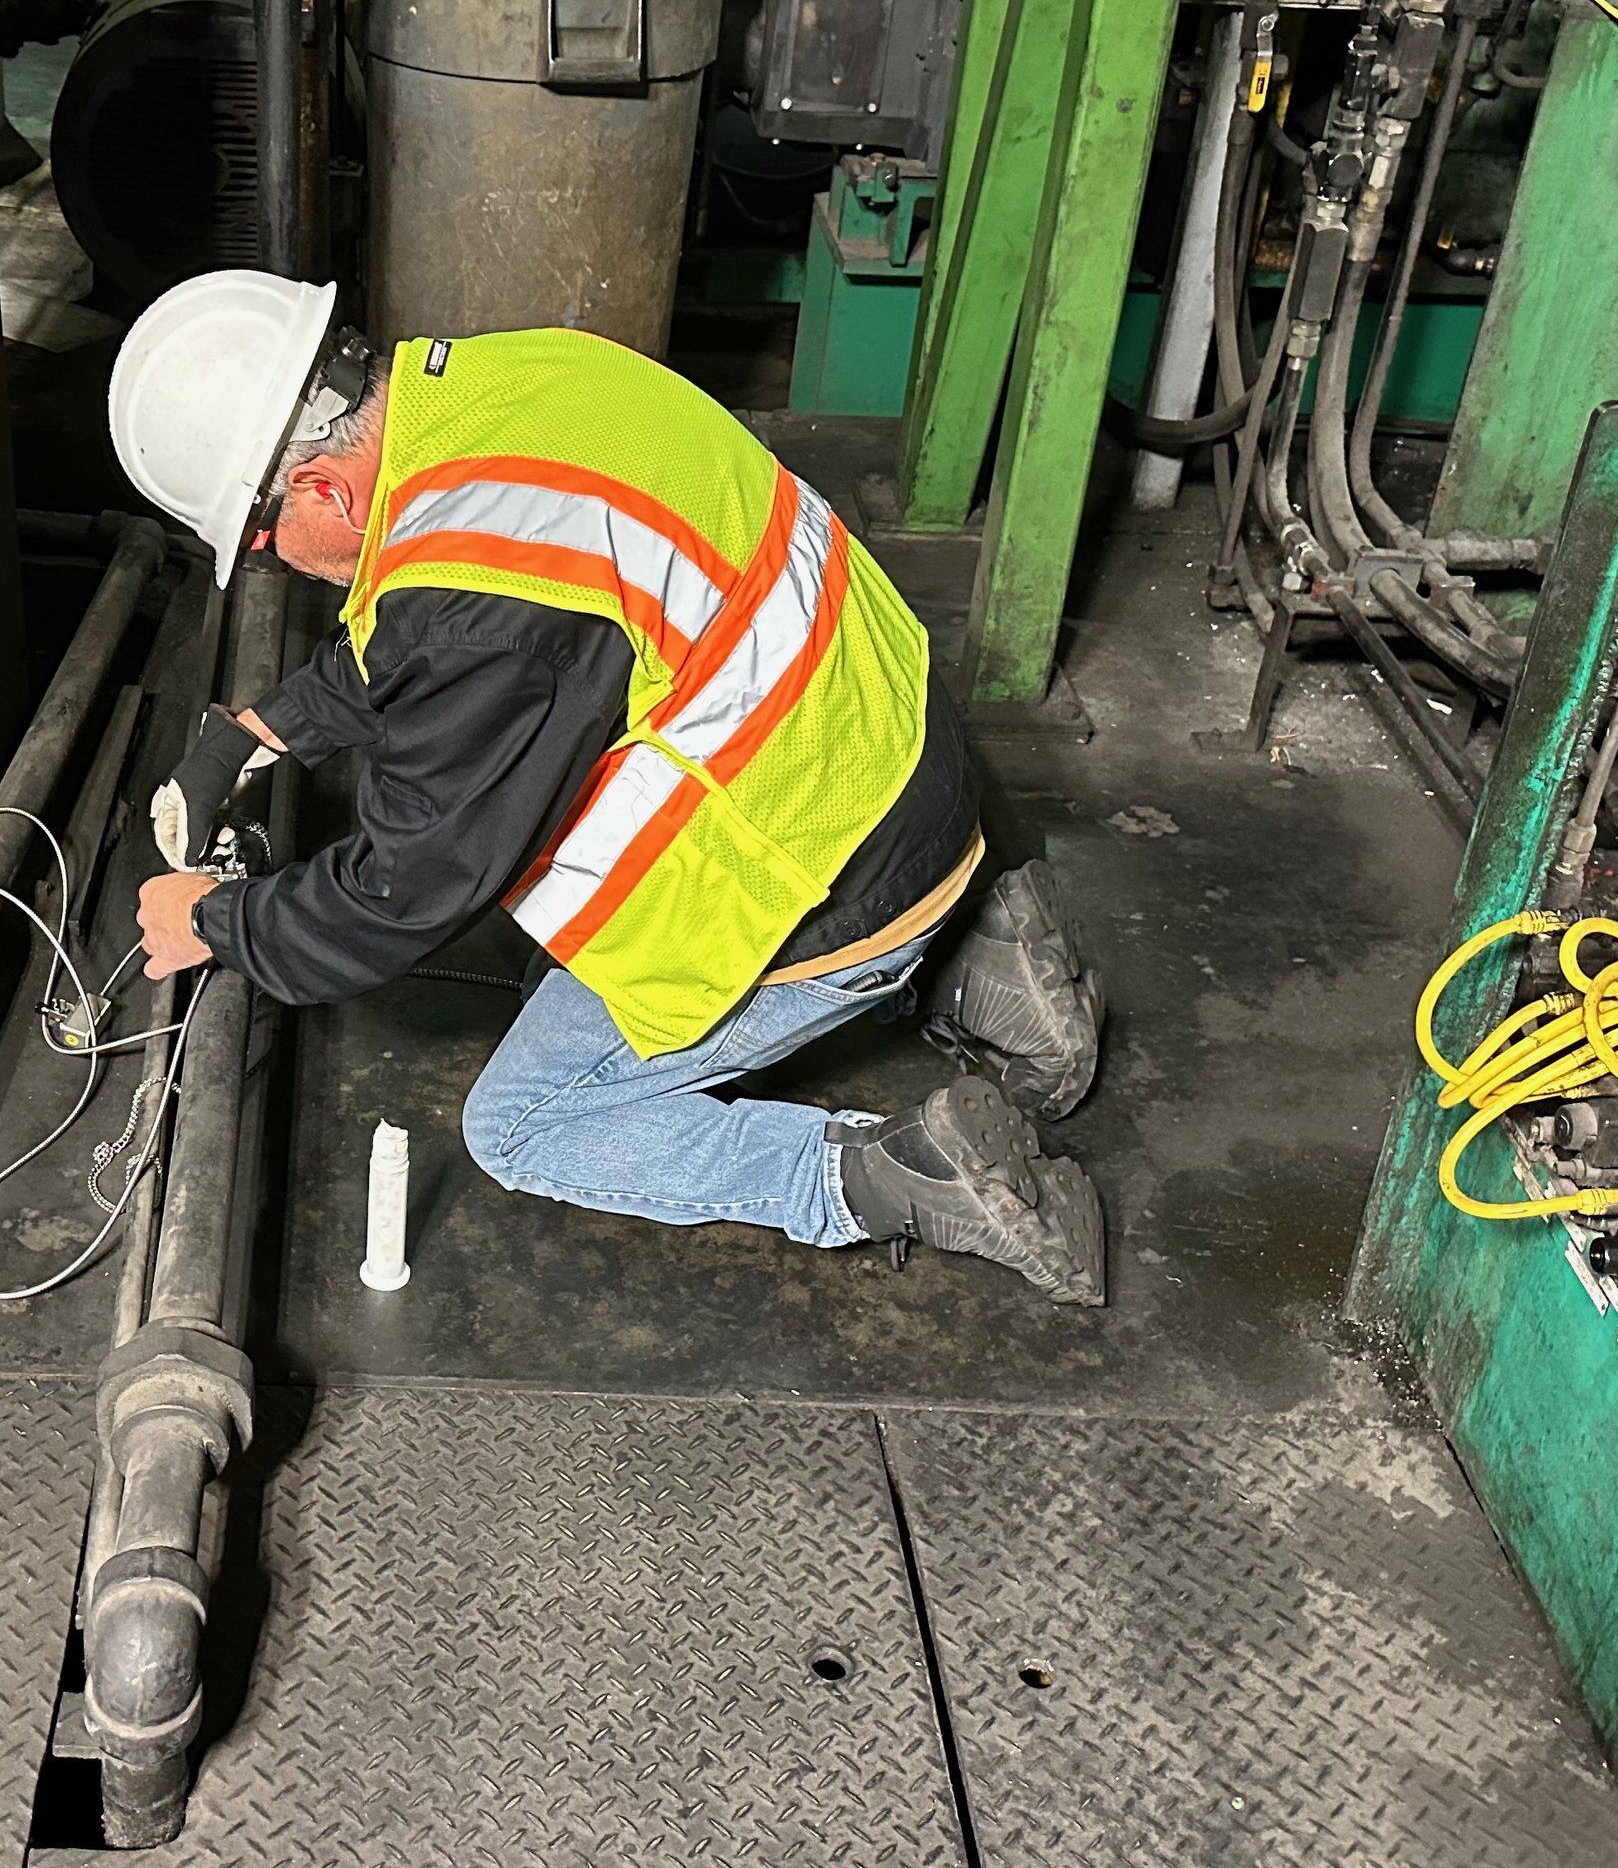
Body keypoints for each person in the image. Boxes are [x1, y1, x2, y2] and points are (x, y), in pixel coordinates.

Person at [107, 271, 1107, 1303]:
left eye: (264, 547)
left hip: (826, 874)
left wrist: (218, 922)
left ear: (321, 490)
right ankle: (978, 955)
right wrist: (260, 731)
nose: (280, 565)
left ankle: (893, 1174)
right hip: (900, 753)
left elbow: (401, 891)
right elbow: (434, 607)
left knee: (524, 1125)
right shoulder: (503, 379)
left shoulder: (468, 600)